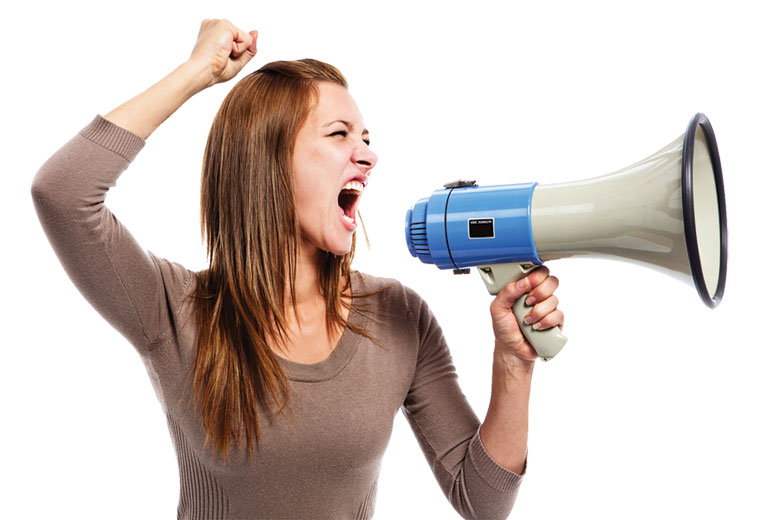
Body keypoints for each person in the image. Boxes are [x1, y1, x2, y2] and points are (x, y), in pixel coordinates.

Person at [31, 18, 563, 520]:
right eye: (339, 135)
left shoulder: (399, 316)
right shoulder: (172, 308)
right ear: (267, 162)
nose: (368, 156)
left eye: (367, 139)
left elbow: (482, 501)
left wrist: (513, 365)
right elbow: (62, 192)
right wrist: (198, 71)